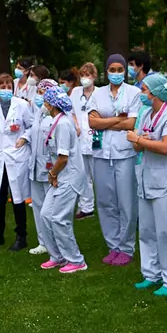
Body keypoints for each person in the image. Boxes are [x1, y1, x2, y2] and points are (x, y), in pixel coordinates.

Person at [126, 73, 167, 297]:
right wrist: (140, 141)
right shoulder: (147, 115)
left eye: (144, 90)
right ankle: (151, 274)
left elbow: (166, 147)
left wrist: (139, 140)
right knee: (148, 231)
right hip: (146, 180)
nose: (141, 94)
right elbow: (138, 147)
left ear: (155, 93)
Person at [87, 54, 141, 267]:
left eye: (120, 69)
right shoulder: (98, 94)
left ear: (125, 71)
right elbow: (92, 122)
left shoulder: (134, 93)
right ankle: (113, 246)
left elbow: (132, 123)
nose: (116, 73)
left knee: (126, 202)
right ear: (106, 70)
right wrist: (119, 119)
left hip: (125, 153)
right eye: (113, 69)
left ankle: (127, 247)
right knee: (105, 201)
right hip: (101, 154)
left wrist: (105, 122)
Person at [37, 86, 89, 274]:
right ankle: (57, 256)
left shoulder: (63, 124)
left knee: (59, 218)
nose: (43, 104)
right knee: (45, 214)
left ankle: (76, 260)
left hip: (70, 177)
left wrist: (52, 175)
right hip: (61, 175)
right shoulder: (57, 121)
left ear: (51, 104)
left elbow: (63, 157)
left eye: (45, 101)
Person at [0, 73, 33, 251]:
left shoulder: (21, 105)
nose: (6, 90)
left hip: (16, 154)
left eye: (8, 87)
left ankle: (21, 236)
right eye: (2, 87)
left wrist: (24, 138)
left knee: (18, 197)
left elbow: (32, 125)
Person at [21, 79, 60, 256]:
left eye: (44, 93)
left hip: (51, 167)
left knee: (52, 208)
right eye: (39, 92)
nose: (40, 96)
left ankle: (57, 242)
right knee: (38, 206)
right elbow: (33, 129)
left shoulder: (58, 116)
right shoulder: (39, 112)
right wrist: (24, 137)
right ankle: (43, 242)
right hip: (35, 166)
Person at [70, 63, 97, 220]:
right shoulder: (75, 92)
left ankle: (105, 205)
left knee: (98, 175)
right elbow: (70, 110)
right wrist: (75, 124)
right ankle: (86, 207)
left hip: (95, 137)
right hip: (79, 137)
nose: (84, 78)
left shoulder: (100, 93)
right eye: (82, 75)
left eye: (87, 75)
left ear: (94, 76)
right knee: (82, 174)